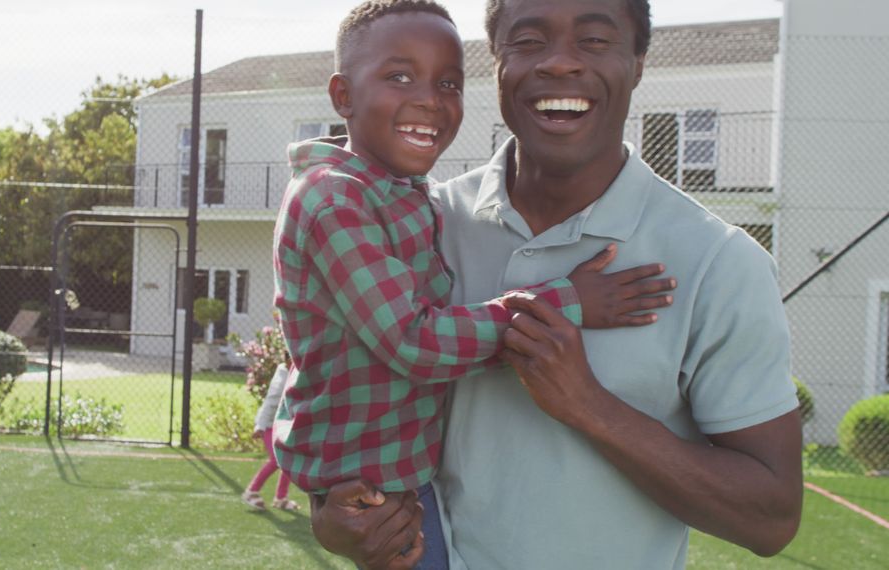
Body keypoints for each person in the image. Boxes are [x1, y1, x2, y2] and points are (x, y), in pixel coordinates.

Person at [308, 0, 804, 568]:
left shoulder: (717, 260)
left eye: (594, 40)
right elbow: (330, 382)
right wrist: (333, 512)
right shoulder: (418, 223)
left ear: (638, 62)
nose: (560, 64)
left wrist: (588, 406)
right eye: (528, 41)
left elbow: (772, 518)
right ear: (496, 62)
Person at [273, 1, 675, 568]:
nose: (429, 99)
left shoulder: (408, 194)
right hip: (380, 494)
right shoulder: (334, 198)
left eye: (448, 82)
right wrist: (567, 301)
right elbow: (410, 340)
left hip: (412, 478)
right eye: (399, 76)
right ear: (343, 96)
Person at [240, 354, 299, 511]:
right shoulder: (283, 374)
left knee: (289, 459)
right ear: (288, 358)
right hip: (269, 425)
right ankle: (251, 491)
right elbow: (271, 401)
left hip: (286, 423)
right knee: (277, 460)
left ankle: (281, 498)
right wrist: (259, 426)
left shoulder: (299, 370)